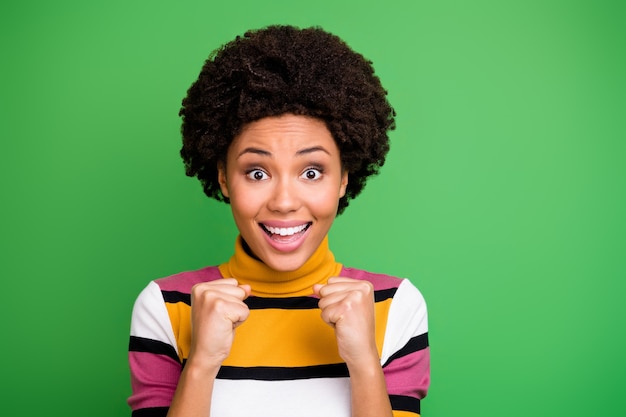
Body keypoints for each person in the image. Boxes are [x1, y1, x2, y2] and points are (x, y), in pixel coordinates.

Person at [128, 25, 430, 417]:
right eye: (257, 172)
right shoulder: (167, 306)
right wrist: (202, 363)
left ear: (343, 178)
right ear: (223, 177)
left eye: (311, 172)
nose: (284, 203)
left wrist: (364, 363)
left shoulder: (394, 305)